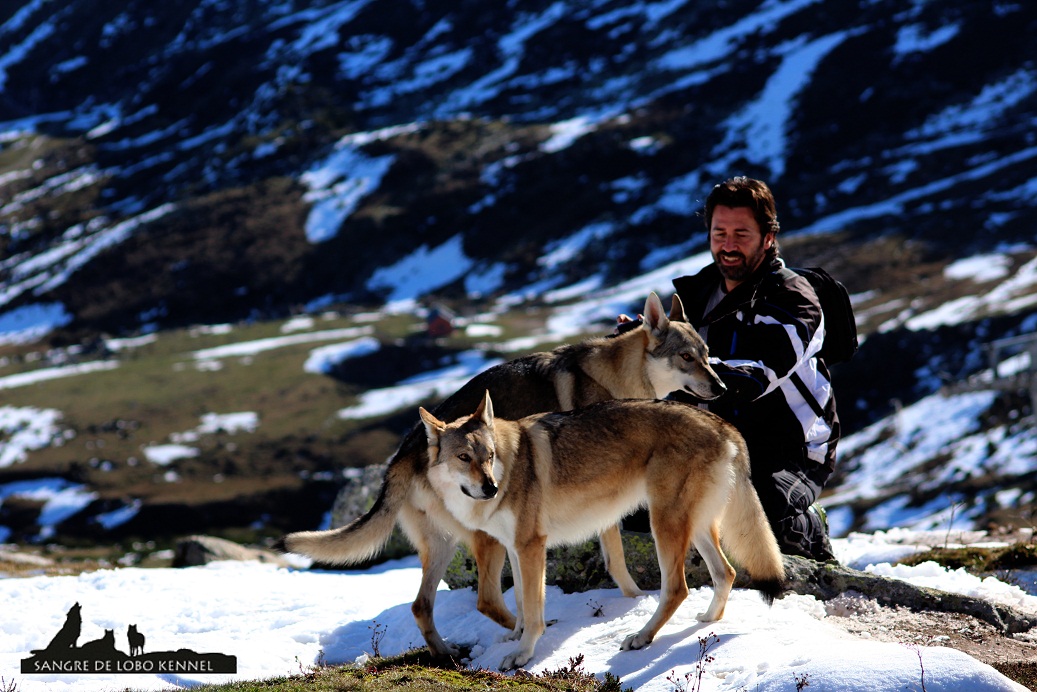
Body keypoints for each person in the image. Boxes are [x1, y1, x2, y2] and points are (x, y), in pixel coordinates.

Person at [621, 176, 838, 561]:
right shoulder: (694, 295)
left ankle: (808, 526)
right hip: (706, 441)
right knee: (636, 510)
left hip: (787, 447)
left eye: (742, 233)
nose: (728, 244)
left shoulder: (796, 299)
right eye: (719, 232)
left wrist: (679, 360)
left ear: (768, 238)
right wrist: (637, 345)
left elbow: (758, 374)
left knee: (760, 515)